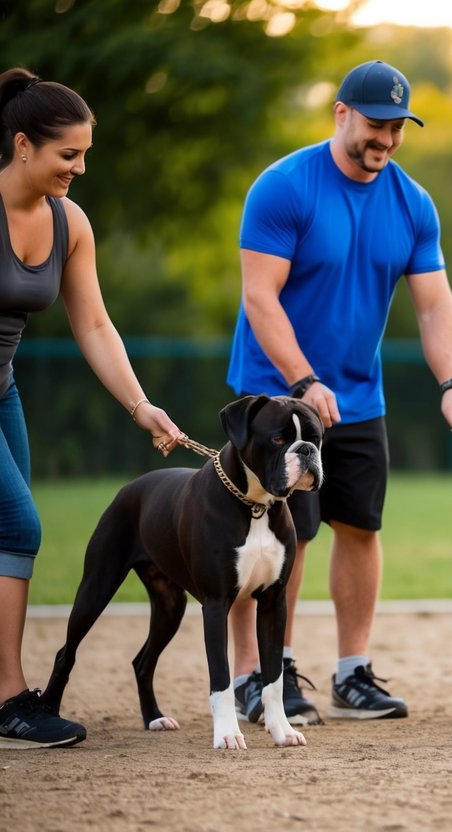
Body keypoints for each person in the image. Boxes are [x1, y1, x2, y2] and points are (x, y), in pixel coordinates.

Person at [226, 60, 452, 725]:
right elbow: (259, 297)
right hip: (275, 397)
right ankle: (260, 675)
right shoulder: (284, 187)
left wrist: (451, 380)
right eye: (375, 125)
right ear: (341, 114)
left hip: (359, 398)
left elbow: (433, 306)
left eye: (397, 127)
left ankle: (351, 672)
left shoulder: (411, 203)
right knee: (284, 536)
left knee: (360, 528)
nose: (387, 140)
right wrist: (304, 382)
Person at [0, 68, 182, 748]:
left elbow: (95, 325)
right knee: (18, 526)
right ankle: (13, 699)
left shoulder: (67, 221)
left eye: (85, 155)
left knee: (3, 534)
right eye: (66, 155)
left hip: (3, 391)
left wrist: (141, 405)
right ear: (23, 145)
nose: (79, 168)